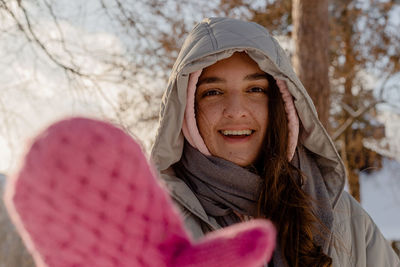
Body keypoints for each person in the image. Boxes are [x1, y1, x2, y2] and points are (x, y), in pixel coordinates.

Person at [150, 17, 400, 266]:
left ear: (281, 105)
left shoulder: (344, 219)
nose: (236, 111)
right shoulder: (155, 224)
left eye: (255, 90)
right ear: (187, 112)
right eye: (213, 92)